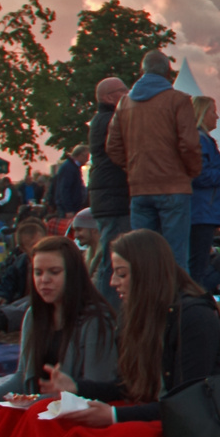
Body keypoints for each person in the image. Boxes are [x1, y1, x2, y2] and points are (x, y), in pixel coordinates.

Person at [46, 229, 220, 426]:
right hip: (157, 415)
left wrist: (114, 416)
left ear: (147, 273)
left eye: (122, 274)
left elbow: (187, 403)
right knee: (46, 416)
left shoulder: (194, 318)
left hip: (191, 430)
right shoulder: (138, 314)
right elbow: (130, 386)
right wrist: (78, 388)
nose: (113, 282)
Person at [0, 237, 117, 412]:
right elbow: (22, 377)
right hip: (35, 408)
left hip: (75, 413)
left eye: (54, 272)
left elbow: (95, 390)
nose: (44, 280)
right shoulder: (33, 316)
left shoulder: (95, 320)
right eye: (38, 272)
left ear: (73, 274)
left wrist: (32, 402)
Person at [106, 50, 202, 270]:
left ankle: (147, 302)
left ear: (142, 71)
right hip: (174, 186)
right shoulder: (178, 100)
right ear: (168, 74)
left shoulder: (124, 104)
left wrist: (132, 167)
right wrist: (191, 171)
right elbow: (189, 144)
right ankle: (177, 302)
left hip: (139, 188)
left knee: (143, 257)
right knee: (176, 256)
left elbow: (113, 147)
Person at [87, 77, 132, 306]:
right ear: (108, 97)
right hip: (114, 198)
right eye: (123, 90)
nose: (128, 92)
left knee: (109, 256)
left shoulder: (101, 119)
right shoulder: (110, 121)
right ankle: (108, 311)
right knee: (112, 260)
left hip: (107, 196)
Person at [188, 96, 220, 294]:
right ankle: (194, 301)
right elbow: (198, 174)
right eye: (213, 112)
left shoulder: (202, 139)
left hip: (204, 209)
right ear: (203, 113)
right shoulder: (200, 140)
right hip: (201, 209)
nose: (217, 117)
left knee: (199, 259)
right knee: (197, 262)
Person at [51, 145, 89, 219]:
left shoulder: (72, 167)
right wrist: (69, 209)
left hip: (72, 207)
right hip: (69, 209)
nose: (87, 159)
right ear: (81, 155)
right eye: (86, 156)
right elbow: (65, 189)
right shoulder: (69, 168)